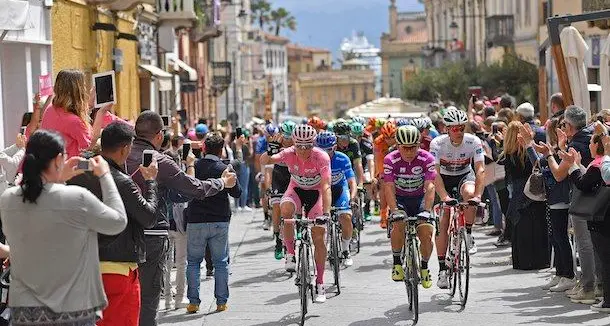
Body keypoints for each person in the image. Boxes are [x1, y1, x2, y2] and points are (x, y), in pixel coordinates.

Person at [1, 130, 127, 325]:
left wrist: (59, 179)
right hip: (73, 309)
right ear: (59, 159)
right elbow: (118, 221)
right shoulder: (76, 198)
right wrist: (105, 175)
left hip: (24, 312)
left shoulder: (8, 199)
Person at [126, 111, 237, 326]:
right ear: (159, 135)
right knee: (148, 295)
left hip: (118, 232)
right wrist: (222, 183)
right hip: (151, 233)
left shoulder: (121, 153)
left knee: (123, 293)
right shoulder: (161, 161)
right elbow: (193, 188)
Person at [67, 122, 159, 326]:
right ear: (125, 148)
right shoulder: (122, 181)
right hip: (118, 269)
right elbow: (149, 217)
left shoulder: (78, 173)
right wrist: (151, 182)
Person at [262, 124, 332, 303]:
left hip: (316, 194)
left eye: (307, 146)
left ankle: (320, 282)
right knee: (285, 210)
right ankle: (290, 253)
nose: (303, 150)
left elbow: (326, 186)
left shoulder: (321, 157)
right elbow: (266, 161)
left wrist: (326, 212)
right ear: (294, 143)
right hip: (296, 191)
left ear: (313, 144)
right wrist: (271, 150)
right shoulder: (288, 153)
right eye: (299, 145)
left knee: (318, 237)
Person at [548, 105, 602, 303]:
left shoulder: (576, 144)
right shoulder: (592, 135)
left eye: (564, 124)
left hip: (583, 194)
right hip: (599, 195)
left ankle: (589, 285)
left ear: (569, 126)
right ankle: (595, 284)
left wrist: (550, 153)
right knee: (594, 242)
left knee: (584, 243)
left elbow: (559, 174)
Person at [185, 133, 241, 314]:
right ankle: (221, 302)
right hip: (219, 220)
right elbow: (237, 193)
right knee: (221, 263)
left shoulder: (194, 166)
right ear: (221, 149)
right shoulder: (224, 167)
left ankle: (193, 302)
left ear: (203, 148)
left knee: (193, 262)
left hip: (196, 220)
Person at [429, 108, 485, 289]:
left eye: (462, 128)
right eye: (454, 129)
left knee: (469, 194)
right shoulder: (437, 143)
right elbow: (434, 173)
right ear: (447, 129)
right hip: (443, 179)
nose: (459, 132)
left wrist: (477, 196)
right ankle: (442, 270)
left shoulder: (473, 141)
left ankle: (468, 233)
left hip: (463, 176)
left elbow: (480, 170)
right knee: (444, 220)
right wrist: (444, 197)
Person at [384, 126, 436, 288]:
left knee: (426, 232)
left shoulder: (427, 158)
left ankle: (425, 267)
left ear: (419, 145)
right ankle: (397, 262)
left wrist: (427, 211)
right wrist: (394, 211)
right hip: (400, 198)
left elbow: (430, 186)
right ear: (398, 145)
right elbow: (389, 187)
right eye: (405, 147)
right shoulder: (390, 159)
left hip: (420, 198)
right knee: (398, 223)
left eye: (413, 147)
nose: (409, 151)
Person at [564, 128, 610, 312]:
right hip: (602, 216)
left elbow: (583, 184)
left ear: (599, 146)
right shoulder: (600, 164)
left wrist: (574, 165)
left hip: (602, 217)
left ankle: (607, 301)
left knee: (605, 259)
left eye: (592, 142)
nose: (589, 145)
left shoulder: (600, 164)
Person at [499, 121, 549, 271]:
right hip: (534, 190)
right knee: (538, 226)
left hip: (518, 193)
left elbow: (508, 177)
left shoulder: (508, 154)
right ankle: (540, 259)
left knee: (521, 228)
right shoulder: (528, 152)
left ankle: (523, 260)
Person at [40, 69, 106, 158]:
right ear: (79, 90)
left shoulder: (50, 109)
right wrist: (101, 112)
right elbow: (90, 145)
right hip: (69, 168)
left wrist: (89, 106)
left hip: (50, 166)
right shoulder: (74, 121)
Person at [315, 131, 357, 266]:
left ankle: (345, 249)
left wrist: (353, 197)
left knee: (346, 217)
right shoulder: (313, 159)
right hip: (321, 191)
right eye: (321, 150)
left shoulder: (342, 158)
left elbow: (351, 181)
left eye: (328, 149)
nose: (325, 153)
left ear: (334, 147)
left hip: (339, 189)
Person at [373, 121, 398, 229]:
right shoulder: (378, 141)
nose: (389, 140)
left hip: (398, 165)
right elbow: (377, 159)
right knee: (384, 188)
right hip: (384, 165)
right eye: (386, 138)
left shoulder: (400, 139)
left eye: (392, 137)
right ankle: (383, 214)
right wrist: (379, 174)